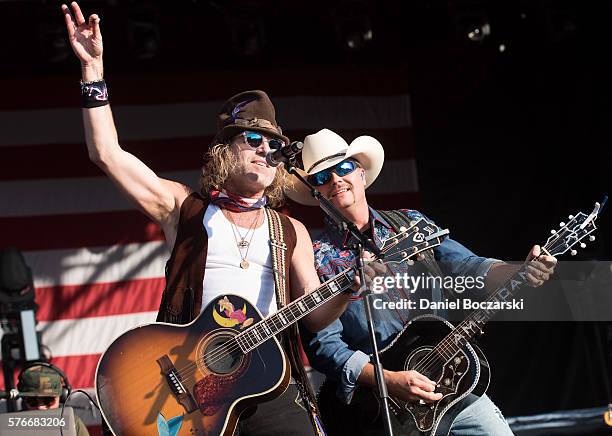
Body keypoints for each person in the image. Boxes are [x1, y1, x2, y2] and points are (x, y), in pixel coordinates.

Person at [60, 3, 382, 435]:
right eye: (254, 139)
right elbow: (106, 154)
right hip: (187, 387)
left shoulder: (291, 231)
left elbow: (314, 316)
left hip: (272, 383)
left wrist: (348, 291)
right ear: (224, 150)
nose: (267, 151)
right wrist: (93, 72)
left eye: (275, 145)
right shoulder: (184, 208)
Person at [286, 128, 558, 435]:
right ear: (315, 192)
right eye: (322, 177)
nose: (335, 180)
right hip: (377, 406)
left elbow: (468, 266)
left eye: (343, 169)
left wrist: (520, 271)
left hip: (450, 383)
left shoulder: (410, 223)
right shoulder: (314, 257)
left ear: (361, 174)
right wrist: (388, 380)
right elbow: (324, 345)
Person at [17, 365, 90, 436]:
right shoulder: (13, 424)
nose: (41, 407)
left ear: (62, 397)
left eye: (48, 400)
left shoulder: (73, 424)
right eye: (33, 401)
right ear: (24, 400)